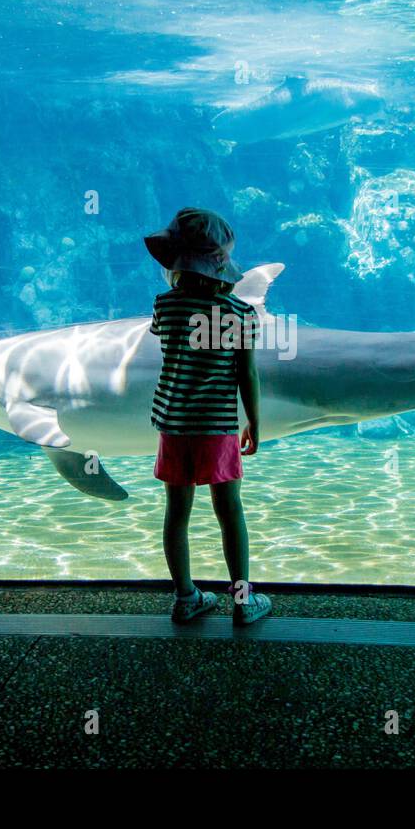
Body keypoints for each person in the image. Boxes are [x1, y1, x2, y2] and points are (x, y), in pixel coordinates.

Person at [144, 207, 272, 626]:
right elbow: (245, 372)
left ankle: (185, 597)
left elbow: (169, 343)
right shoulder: (239, 313)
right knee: (230, 510)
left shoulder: (166, 305)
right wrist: (253, 419)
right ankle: (242, 600)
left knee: (176, 513)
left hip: (175, 425)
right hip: (218, 427)